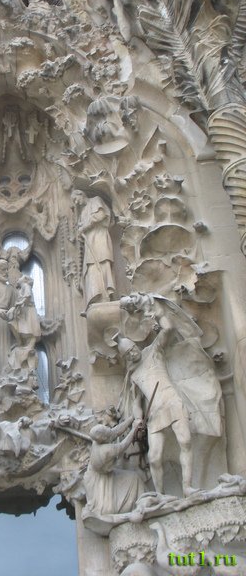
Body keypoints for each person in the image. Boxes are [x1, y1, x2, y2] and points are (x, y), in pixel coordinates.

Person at [118, 330, 195, 496]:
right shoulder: (133, 374)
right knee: (153, 458)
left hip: (173, 403)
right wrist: (138, 419)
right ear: (126, 358)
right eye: (128, 354)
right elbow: (136, 402)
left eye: (132, 348)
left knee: (185, 441)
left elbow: (167, 330)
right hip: (155, 414)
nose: (133, 353)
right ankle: (160, 495)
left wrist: (160, 316)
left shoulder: (153, 350)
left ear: (135, 345)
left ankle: (187, 487)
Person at [83, 414, 145, 517]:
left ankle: (142, 502)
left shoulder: (97, 440)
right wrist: (134, 429)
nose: (108, 429)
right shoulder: (106, 450)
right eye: (106, 430)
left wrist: (131, 418)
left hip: (96, 474)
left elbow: (114, 432)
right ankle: (142, 503)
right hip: (101, 480)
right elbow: (123, 445)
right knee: (134, 478)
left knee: (133, 477)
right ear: (103, 437)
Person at [71, 190, 115, 311]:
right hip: (89, 243)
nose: (76, 202)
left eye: (76, 199)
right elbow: (81, 230)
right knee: (91, 267)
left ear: (81, 194)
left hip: (99, 239)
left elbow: (100, 215)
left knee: (102, 262)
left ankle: (105, 295)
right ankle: (95, 296)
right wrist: (80, 232)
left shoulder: (95, 200)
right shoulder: (82, 212)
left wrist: (84, 227)